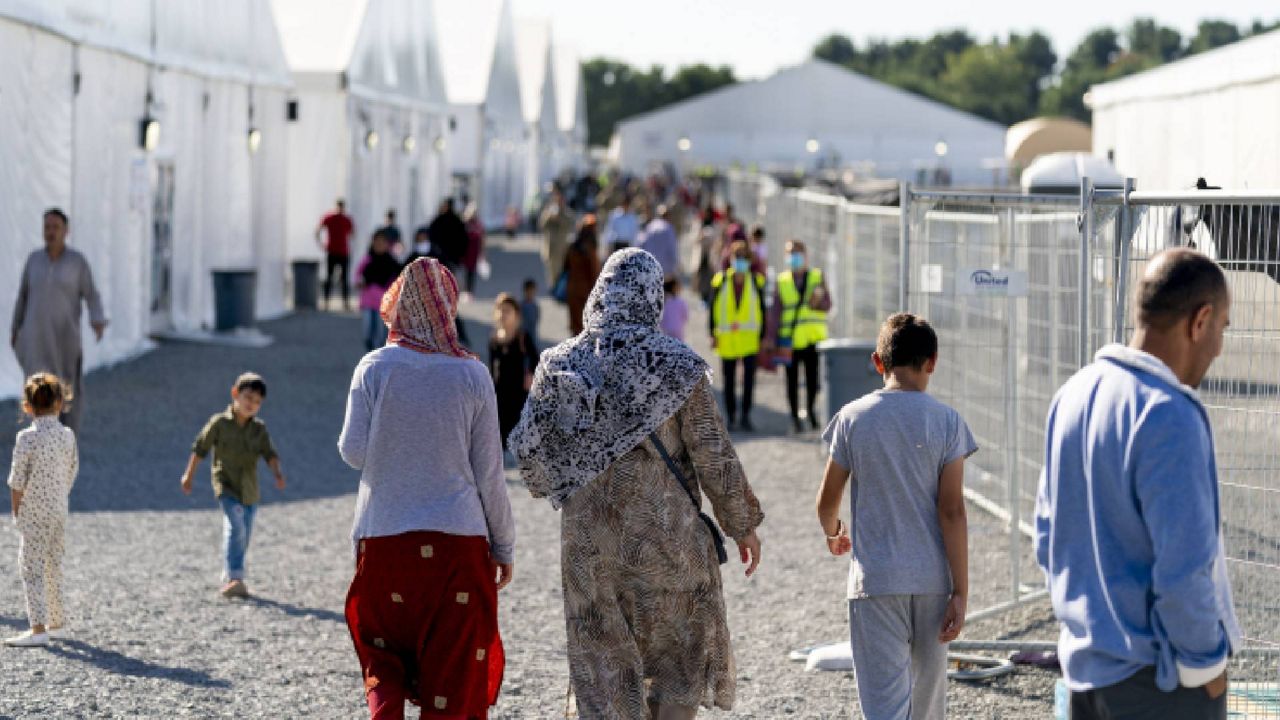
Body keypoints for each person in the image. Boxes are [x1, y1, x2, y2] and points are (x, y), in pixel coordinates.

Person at [510, 249, 764, 719]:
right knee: (677, 667)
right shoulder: (676, 366)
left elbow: (531, 460)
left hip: (591, 549)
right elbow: (712, 451)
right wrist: (741, 523)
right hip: (668, 544)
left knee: (603, 669)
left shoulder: (558, 364)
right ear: (651, 300)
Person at [1035, 248, 1239, 719]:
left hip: (1085, 674)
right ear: (1200, 320)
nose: (1219, 348)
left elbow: (1047, 540)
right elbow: (1185, 573)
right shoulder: (1170, 413)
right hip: (1159, 687)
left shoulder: (1073, 394)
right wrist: (1207, 668)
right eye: (1223, 327)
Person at [338, 258, 514, 720]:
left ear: (396, 305)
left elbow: (352, 452)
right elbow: (489, 471)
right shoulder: (473, 375)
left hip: (384, 541)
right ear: (448, 308)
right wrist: (504, 545)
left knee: (383, 654)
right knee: (452, 675)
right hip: (458, 546)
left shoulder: (374, 368)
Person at [816, 313, 975, 720]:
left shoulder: (852, 418)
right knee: (926, 707)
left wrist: (835, 532)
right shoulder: (947, 421)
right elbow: (952, 510)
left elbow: (827, 500)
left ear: (877, 361)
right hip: (932, 582)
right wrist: (960, 590)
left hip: (876, 581)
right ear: (933, 361)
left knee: (885, 706)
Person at [180, 372, 286, 599]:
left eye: (257, 402)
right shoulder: (219, 423)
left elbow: (270, 454)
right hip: (225, 485)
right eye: (248, 397)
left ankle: (231, 570)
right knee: (235, 526)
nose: (251, 404)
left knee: (243, 533)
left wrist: (277, 473)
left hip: (249, 490)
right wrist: (188, 476)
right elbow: (200, 448)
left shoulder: (259, 429)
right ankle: (234, 578)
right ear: (235, 394)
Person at [10, 208, 107, 434]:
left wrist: (97, 320)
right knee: (36, 387)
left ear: (66, 231)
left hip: (65, 341)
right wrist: (15, 327)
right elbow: (23, 296)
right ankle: (35, 439)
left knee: (65, 390)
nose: (50, 232)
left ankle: (65, 438)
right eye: (47, 227)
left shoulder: (77, 263)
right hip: (36, 339)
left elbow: (91, 294)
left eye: (55, 227)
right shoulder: (34, 260)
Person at [5, 373, 77, 647]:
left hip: (33, 512)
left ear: (28, 406)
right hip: (59, 509)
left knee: (31, 569)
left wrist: (17, 512)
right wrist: (59, 496)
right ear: (60, 403)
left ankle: (38, 629)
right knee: (54, 565)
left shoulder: (27, 438)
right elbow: (72, 469)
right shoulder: (67, 435)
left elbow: (17, 481)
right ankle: (57, 623)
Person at [765, 241, 832, 433]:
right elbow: (775, 311)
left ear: (805, 256)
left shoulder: (817, 277)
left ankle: (810, 412)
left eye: (797, 253)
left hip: (812, 339)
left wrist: (817, 302)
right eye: (790, 254)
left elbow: (828, 304)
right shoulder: (782, 280)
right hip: (789, 340)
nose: (794, 258)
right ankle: (795, 418)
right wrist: (771, 336)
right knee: (791, 381)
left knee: (813, 380)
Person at [709, 241, 767, 432]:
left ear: (749, 260)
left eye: (744, 257)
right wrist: (712, 333)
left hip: (749, 339)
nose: (740, 261)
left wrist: (763, 336)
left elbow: (762, 311)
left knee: (749, 381)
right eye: (737, 257)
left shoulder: (757, 282)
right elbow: (713, 309)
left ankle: (745, 416)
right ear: (731, 259)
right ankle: (731, 416)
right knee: (729, 381)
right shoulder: (721, 281)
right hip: (726, 339)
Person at [489, 293, 539, 456]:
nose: (502, 314)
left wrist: (531, 374)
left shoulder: (523, 337)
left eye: (507, 311)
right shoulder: (494, 339)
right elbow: (492, 366)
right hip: (499, 391)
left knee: (517, 424)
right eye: (500, 310)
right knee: (500, 424)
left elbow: (536, 360)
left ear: (516, 315)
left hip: (519, 392)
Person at [355, 231, 401, 351]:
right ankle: (369, 350)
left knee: (381, 334)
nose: (379, 245)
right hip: (368, 301)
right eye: (377, 242)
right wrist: (358, 282)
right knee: (367, 331)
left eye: (383, 243)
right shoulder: (368, 259)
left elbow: (397, 280)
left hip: (383, 303)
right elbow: (357, 273)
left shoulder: (391, 262)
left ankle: (378, 355)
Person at [564, 215, 601, 336]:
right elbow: (595, 271)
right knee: (585, 324)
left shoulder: (572, 246)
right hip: (587, 290)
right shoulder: (591, 249)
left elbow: (565, 266)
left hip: (572, 288)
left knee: (575, 323)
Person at [316, 199, 355, 310]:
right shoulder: (331, 217)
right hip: (334, 251)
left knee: (343, 278)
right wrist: (322, 244)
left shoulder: (345, 219)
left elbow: (352, 233)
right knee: (330, 277)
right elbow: (318, 230)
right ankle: (327, 302)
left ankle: (344, 302)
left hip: (342, 252)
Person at [538, 188, 575, 286]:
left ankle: (558, 286)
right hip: (550, 246)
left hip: (561, 246)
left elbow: (569, 225)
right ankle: (553, 286)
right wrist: (549, 216)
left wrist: (559, 217)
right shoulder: (549, 211)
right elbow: (542, 224)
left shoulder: (567, 213)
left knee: (561, 268)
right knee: (550, 269)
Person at [426, 199, 469, 275]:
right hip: (452, 258)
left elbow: (431, 236)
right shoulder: (457, 221)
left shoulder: (438, 221)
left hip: (441, 258)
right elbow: (464, 239)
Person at [639, 204, 680, 279]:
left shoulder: (650, 226)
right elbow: (672, 248)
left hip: (650, 265)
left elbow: (641, 244)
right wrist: (675, 264)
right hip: (665, 268)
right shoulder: (668, 228)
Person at [462, 202, 486, 295]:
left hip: (474, 251)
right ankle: (465, 289)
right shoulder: (465, 223)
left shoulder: (479, 224)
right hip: (466, 251)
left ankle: (469, 290)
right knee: (465, 271)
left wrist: (483, 252)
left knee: (472, 271)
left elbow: (482, 238)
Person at [520, 279, 541, 350]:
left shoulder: (535, 306)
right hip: (524, 336)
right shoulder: (522, 306)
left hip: (533, 335)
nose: (531, 293)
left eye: (533, 291)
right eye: (529, 291)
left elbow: (536, 318)